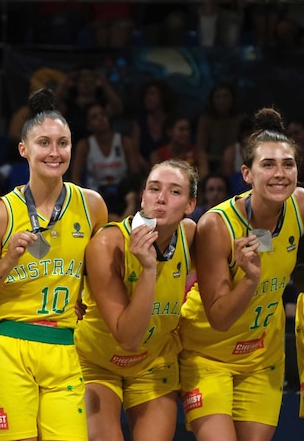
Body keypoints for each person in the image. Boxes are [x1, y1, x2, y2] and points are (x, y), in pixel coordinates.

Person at [0, 87, 107, 441]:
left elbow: (100, 275)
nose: (55, 152)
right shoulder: (1, 213)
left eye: (63, 143)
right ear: (23, 149)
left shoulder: (92, 206)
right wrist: (9, 259)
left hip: (63, 349)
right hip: (6, 347)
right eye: (44, 143)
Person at [179, 108, 304, 440]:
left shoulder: (301, 205)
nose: (280, 174)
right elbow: (219, 317)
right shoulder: (216, 226)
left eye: (288, 164)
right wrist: (250, 279)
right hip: (209, 354)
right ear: (247, 173)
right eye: (268, 165)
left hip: (263, 356)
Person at [75, 159, 198, 441]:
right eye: (154, 189)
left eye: (175, 192)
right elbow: (128, 338)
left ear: (190, 205)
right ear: (142, 196)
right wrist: (149, 269)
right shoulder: (109, 244)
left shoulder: (190, 235)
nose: (162, 198)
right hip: (97, 361)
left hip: (154, 362)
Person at [71, 102, 141, 202]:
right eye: (94, 117)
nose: (100, 119)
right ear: (88, 125)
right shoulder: (84, 145)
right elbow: (75, 179)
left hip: (122, 195)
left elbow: (135, 173)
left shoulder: (125, 141)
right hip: (95, 196)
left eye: (103, 114)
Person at [149, 116, 210, 180]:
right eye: (181, 130)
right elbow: (157, 179)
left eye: (188, 130)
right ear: (169, 132)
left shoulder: (199, 154)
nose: (186, 133)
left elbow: (204, 178)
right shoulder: (157, 155)